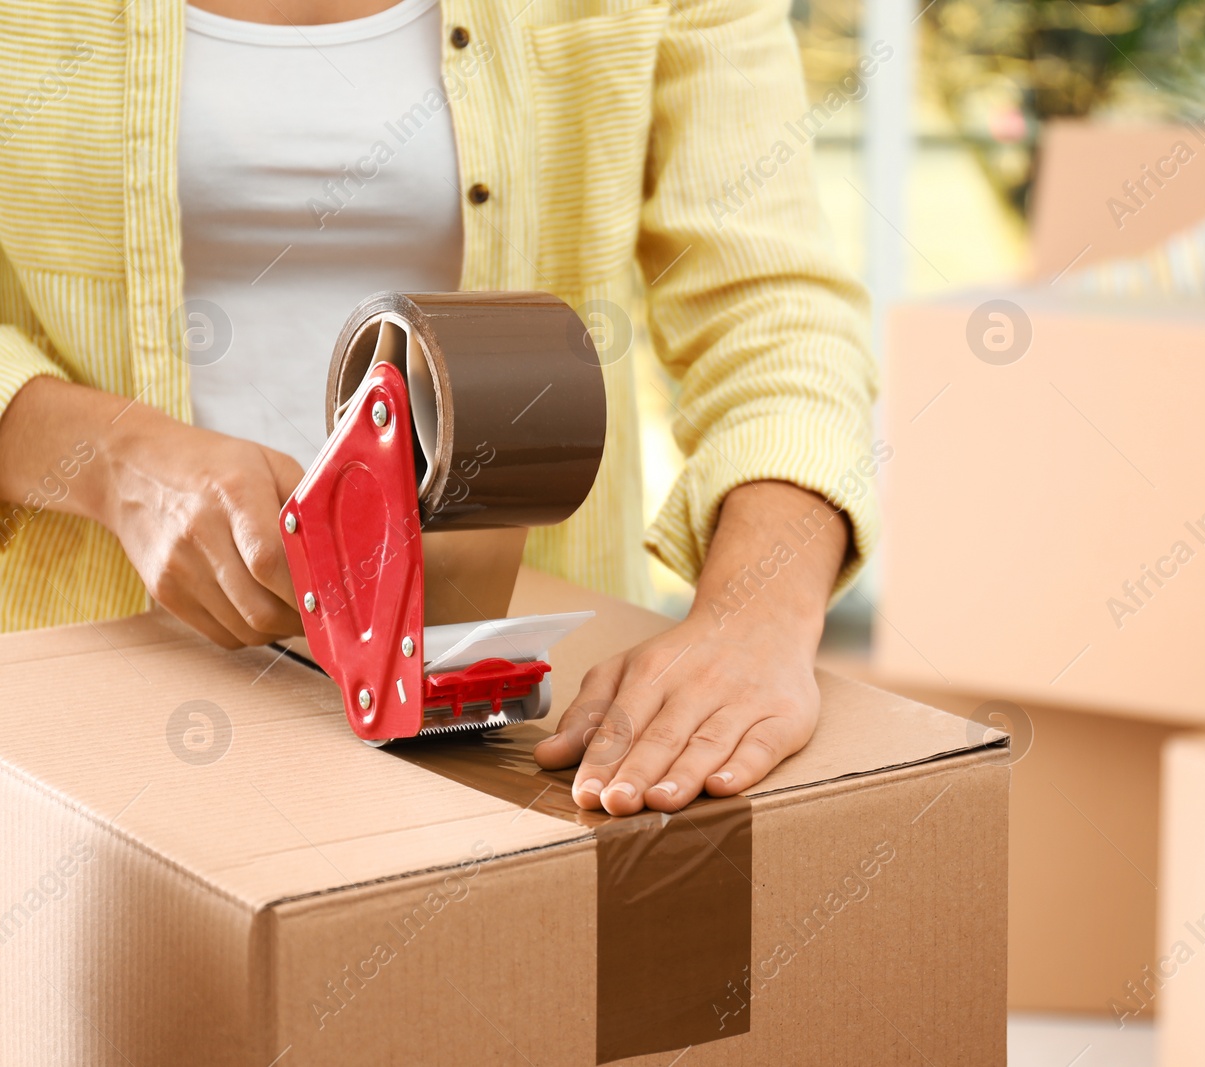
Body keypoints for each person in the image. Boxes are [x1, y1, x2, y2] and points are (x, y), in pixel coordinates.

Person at [0, 0, 876, 817]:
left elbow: (771, 308)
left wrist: (755, 618)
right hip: (75, 711)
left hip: (527, 730)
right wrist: (115, 461)